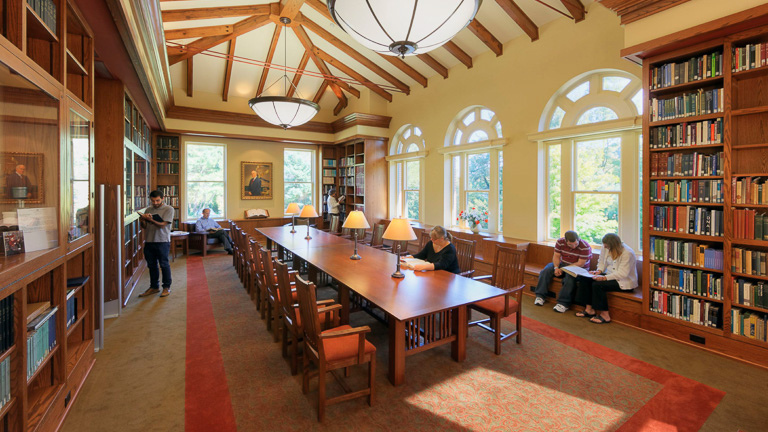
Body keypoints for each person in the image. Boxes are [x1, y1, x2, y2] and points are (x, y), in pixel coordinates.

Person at [575, 233, 638, 324]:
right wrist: (598, 271)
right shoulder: (605, 247)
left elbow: (622, 274)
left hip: (624, 281)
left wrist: (604, 278)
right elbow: (601, 261)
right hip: (609, 275)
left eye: (607, 247)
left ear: (614, 246)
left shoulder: (628, 253)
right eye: (605, 246)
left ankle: (605, 315)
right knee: (585, 279)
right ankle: (589, 309)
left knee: (598, 285)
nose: (605, 248)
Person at [533, 230, 592, 312]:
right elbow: (556, 256)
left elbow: (581, 263)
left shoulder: (585, 246)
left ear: (578, 240)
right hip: (563, 264)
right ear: (565, 240)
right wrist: (556, 268)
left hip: (578, 269)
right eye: (570, 244)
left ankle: (563, 303)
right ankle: (540, 296)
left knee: (569, 277)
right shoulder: (560, 242)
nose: (574, 246)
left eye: (575, 244)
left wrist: (564, 269)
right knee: (546, 270)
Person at [138, 190, 175, 298]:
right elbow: (144, 227)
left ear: (163, 199)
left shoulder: (169, 209)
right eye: (153, 201)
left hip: (162, 241)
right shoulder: (148, 209)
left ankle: (166, 287)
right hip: (149, 241)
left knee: (164, 264)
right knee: (151, 265)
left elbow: (163, 225)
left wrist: (151, 219)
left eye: (157, 200)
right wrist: (142, 220)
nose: (155, 203)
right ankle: (154, 287)